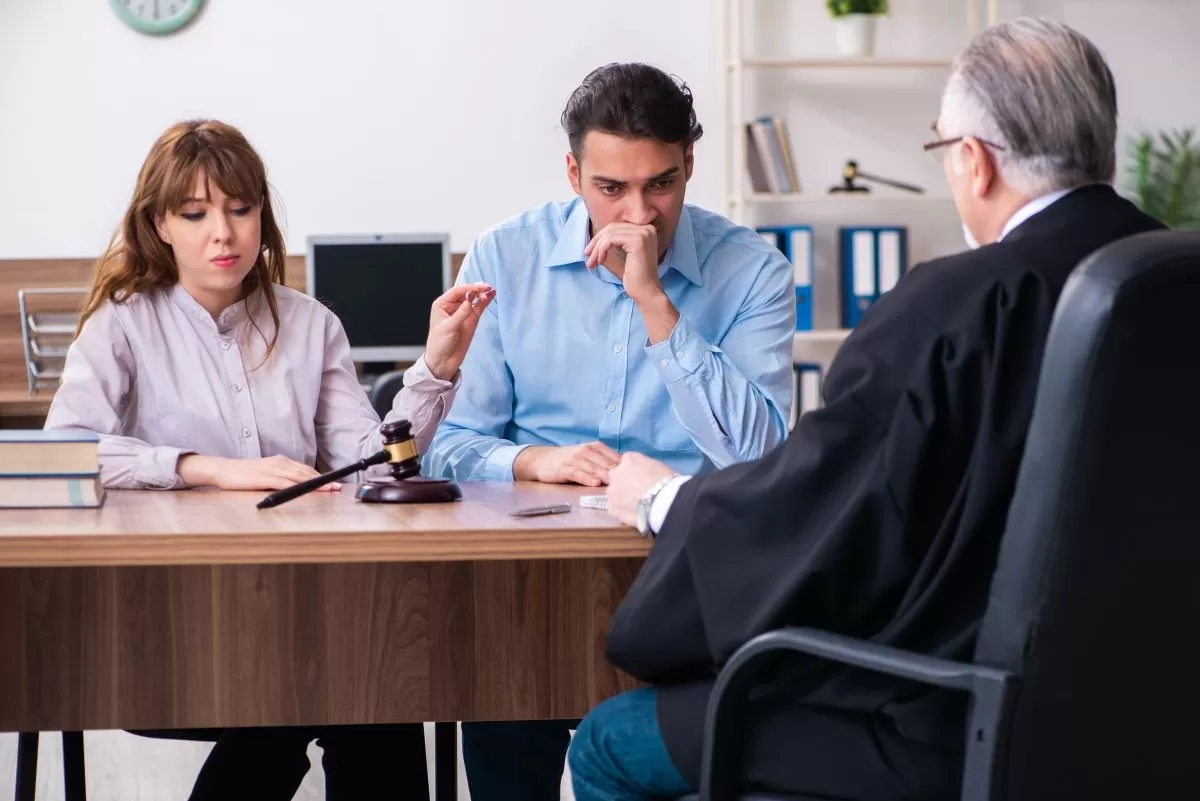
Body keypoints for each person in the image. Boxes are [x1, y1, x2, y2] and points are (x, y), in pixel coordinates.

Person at [566, 17, 1167, 801]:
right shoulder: (1171, 284)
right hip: (1148, 714)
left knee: (609, 741)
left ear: (973, 162)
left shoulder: (957, 307)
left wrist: (658, 498)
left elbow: (826, 519)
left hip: (941, 720)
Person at [44, 118, 493, 801]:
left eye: (240, 208)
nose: (223, 233)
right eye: (195, 214)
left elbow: (368, 467)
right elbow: (66, 449)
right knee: (323, 684)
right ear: (160, 223)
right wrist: (208, 467)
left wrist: (432, 367)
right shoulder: (123, 324)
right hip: (176, 618)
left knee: (371, 696)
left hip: (299, 608)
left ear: (262, 215)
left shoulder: (312, 324)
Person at [422, 63, 796, 800]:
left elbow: (765, 457)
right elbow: (450, 442)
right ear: (572, 171)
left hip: (685, 581)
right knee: (501, 707)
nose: (638, 213)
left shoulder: (753, 272)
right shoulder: (507, 256)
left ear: (689, 163)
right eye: (610, 188)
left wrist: (656, 303)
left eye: (660, 183)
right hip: (526, 585)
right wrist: (534, 459)